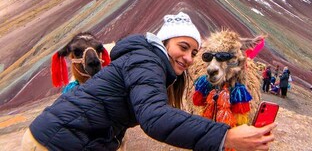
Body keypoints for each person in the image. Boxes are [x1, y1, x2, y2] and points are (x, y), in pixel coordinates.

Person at [22, 12, 276, 151]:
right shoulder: (146, 62)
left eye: (194, 53)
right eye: (183, 47)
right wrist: (226, 136)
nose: (188, 58)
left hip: (69, 137)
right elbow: (155, 118)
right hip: (54, 141)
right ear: (164, 42)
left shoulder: (148, 63)